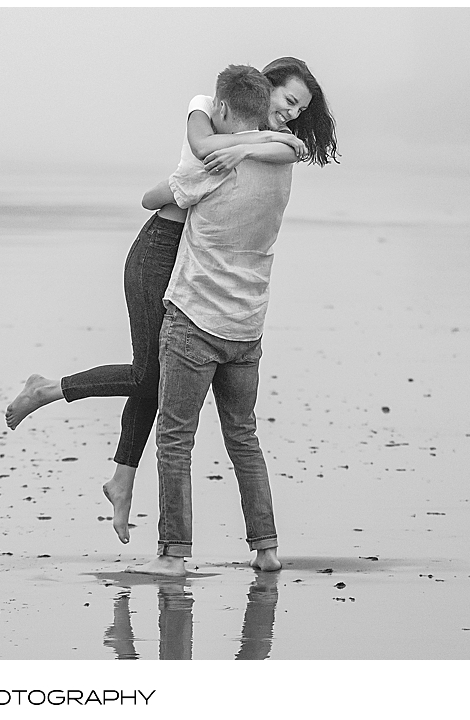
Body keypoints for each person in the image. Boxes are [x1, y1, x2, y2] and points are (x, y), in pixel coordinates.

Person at [5, 57, 338, 544]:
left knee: (156, 376)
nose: (291, 115)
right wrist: (246, 145)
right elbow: (199, 152)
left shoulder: (268, 147)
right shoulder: (209, 111)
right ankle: (49, 389)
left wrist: (254, 145)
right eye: (288, 101)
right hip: (159, 249)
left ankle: (121, 476)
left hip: (188, 258)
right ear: (260, 92)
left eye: (300, 109)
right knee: (151, 375)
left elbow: (292, 147)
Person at [129, 66, 300, 577]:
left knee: (175, 440)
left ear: (223, 111)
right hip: (248, 326)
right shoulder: (282, 160)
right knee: (243, 438)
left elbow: (151, 198)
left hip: (196, 317)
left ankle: (173, 555)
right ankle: (266, 549)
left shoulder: (215, 166)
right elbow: (290, 146)